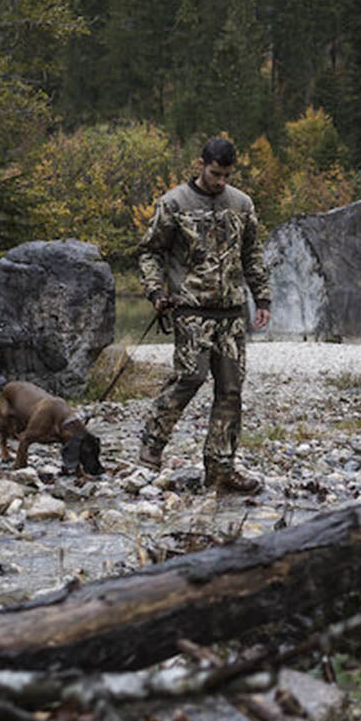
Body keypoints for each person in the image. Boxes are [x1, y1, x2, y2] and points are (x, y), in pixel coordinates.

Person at [136, 135, 271, 492]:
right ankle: (150, 451)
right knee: (189, 378)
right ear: (200, 165)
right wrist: (155, 291)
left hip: (231, 313)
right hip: (191, 310)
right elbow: (150, 252)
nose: (220, 181)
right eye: (215, 173)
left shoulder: (242, 204)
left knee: (230, 391)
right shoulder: (174, 203)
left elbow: (252, 254)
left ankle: (221, 469)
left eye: (226, 174)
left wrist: (263, 299)